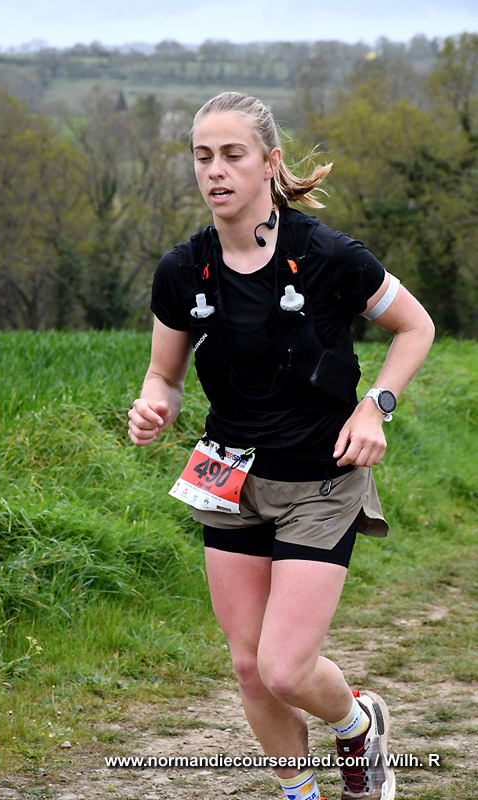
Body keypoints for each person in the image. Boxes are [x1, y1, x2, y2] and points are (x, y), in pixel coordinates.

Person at [128, 92, 435, 800]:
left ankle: (357, 725)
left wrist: (375, 406)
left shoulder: (328, 256)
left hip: (321, 479)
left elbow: (415, 327)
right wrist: (155, 407)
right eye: (203, 156)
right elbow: (164, 376)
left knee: (285, 669)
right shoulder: (183, 270)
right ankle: (302, 793)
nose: (215, 170)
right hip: (227, 477)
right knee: (248, 667)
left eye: (232, 155)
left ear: (269, 163)